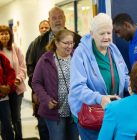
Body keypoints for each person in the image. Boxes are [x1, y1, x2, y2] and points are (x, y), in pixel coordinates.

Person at [68, 13, 130, 140]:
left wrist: (132, 85)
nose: (107, 37)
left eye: (109, 33)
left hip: (112, 112)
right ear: (92, 33)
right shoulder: (80, 53)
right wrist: (99, 98)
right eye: (102, 33)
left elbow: (123, 75)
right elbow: (77, 87)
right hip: (90, 115)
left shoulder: (113, 49)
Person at [27, 6, 81, 140]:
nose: (57, 21)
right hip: (49, 103)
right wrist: (38, 94)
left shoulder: (78, 41)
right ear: (49, 20)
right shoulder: (39, 43)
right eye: (54, 18)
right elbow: (32, 69)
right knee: (47, 133)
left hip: (72, 107)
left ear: (65, 19)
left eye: (60, 17)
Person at [0, 25, 26, 140]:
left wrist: (18, 79)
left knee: (16, 117)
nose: (4, 36)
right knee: (5, 117)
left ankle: (18, 137)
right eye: (1, 34)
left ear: (10, 35)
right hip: (2, 90)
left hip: (16, 87)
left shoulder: (16, 49)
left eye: (6, 33)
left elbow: (22, 67)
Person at [0, 52, 15, 140]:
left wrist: (8, 86)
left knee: (7, 126)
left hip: (3, 99)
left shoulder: (2, 57)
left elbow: (11, 73)